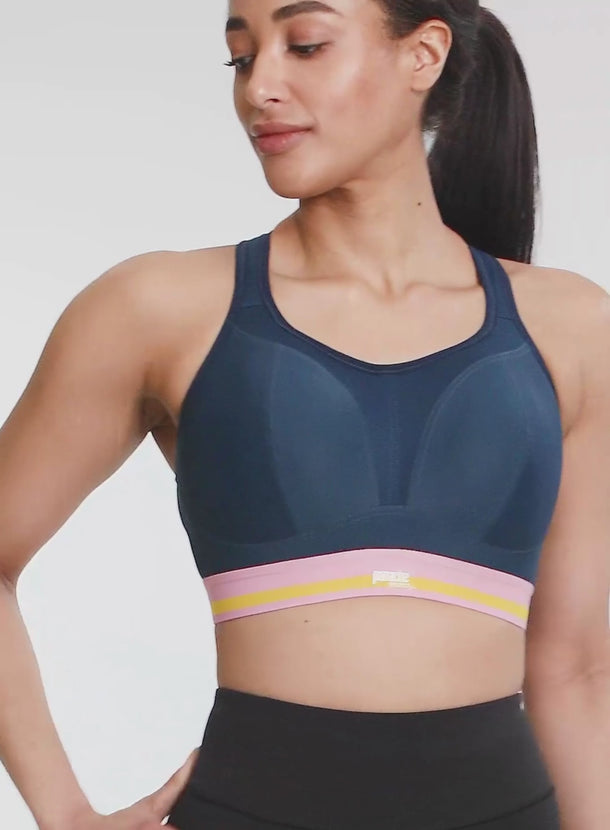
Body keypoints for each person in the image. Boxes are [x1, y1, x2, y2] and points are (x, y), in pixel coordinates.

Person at [1, 1, 609, 829]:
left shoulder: (570, 327)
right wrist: (65, 814)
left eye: (307, 45)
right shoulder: (159, 309)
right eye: (241, 58)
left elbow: (576, 668)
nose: (261, 87)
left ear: (424, 55)